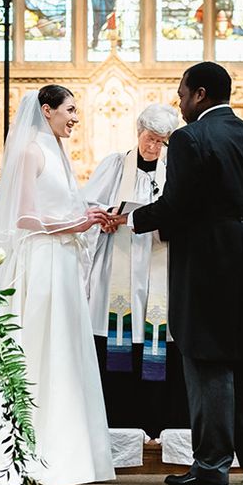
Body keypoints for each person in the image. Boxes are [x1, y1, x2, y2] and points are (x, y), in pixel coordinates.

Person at [113, 62, 243, 485]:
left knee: (208, 362)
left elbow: (177, 205)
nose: (179, 102)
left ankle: (212, 466)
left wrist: (129, 218)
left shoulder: (191, 138)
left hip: (208, 265)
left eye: (182, 93)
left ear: (200, 94)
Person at [0, 84, 116, 485]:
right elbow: (25, 217)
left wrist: (89, 214)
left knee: (66, 350)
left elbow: (60, 208)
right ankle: (28, 450)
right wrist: (77, 223)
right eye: (71, 110)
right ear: (47, 110)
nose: (76, 118)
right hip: (41, 262)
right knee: (42, 349)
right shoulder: (30, 150)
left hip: (61, 261)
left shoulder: (58, 152)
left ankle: (69, 451)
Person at [83, 104, 189, 438]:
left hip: (159, 264)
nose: (153, 147)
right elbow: (88, 207)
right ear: (138, 131)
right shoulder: (115, 166)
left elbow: (183, 211)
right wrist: (105, 218)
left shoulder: (175, 169)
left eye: (160, 141)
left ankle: (159, 422)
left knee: (159, 335)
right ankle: (118, 421)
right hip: (118, 262)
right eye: (149, 138)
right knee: (117, 337)